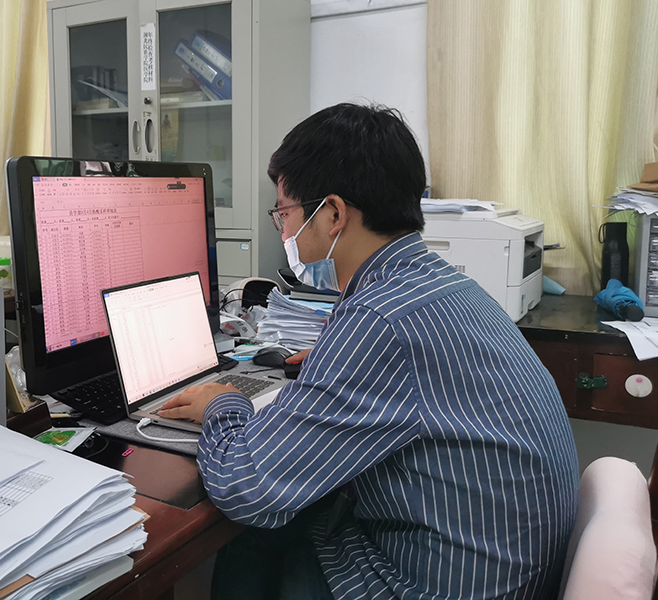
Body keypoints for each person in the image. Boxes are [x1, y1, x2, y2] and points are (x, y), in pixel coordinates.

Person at [159, 102, 579, 600]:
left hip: (442, 586)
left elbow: (246, 488)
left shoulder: (378, 320)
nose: (284, 231)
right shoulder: (445, 287)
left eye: (285, 214)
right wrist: (336, 364)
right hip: (507, 568)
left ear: (334, 214)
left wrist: (223, 403)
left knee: (251, 538)